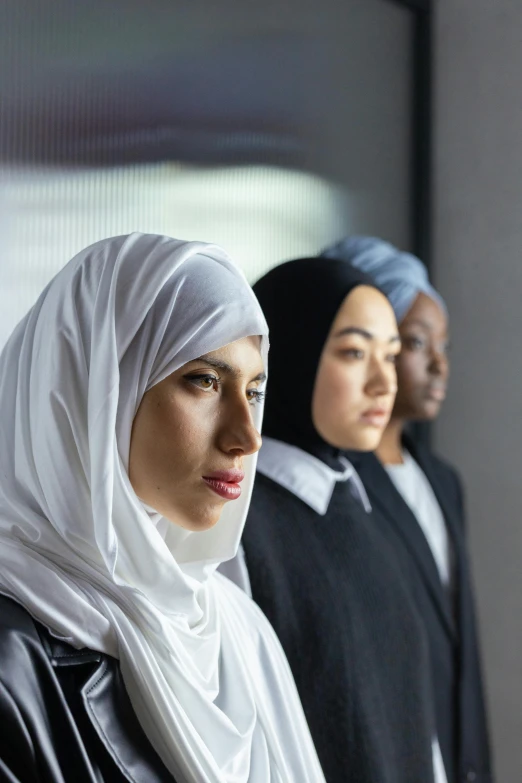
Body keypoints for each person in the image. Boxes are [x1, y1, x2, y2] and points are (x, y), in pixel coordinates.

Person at [0, 233, 326, 783]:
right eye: (204, 380)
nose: (247, 438)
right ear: (93, 390)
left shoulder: (236, 630)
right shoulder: (13, 660)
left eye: (253, 392)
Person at [223, 256, 441, 783]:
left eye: (389, 356)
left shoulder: (363, 505)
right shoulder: (236, 524)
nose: (382, 383)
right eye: (353, 352)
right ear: (289, 352)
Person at [322, 236, 492, 783]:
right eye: (417, 344)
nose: (439, 365)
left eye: (443, 346)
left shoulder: (443, 482)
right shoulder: (333, 485)